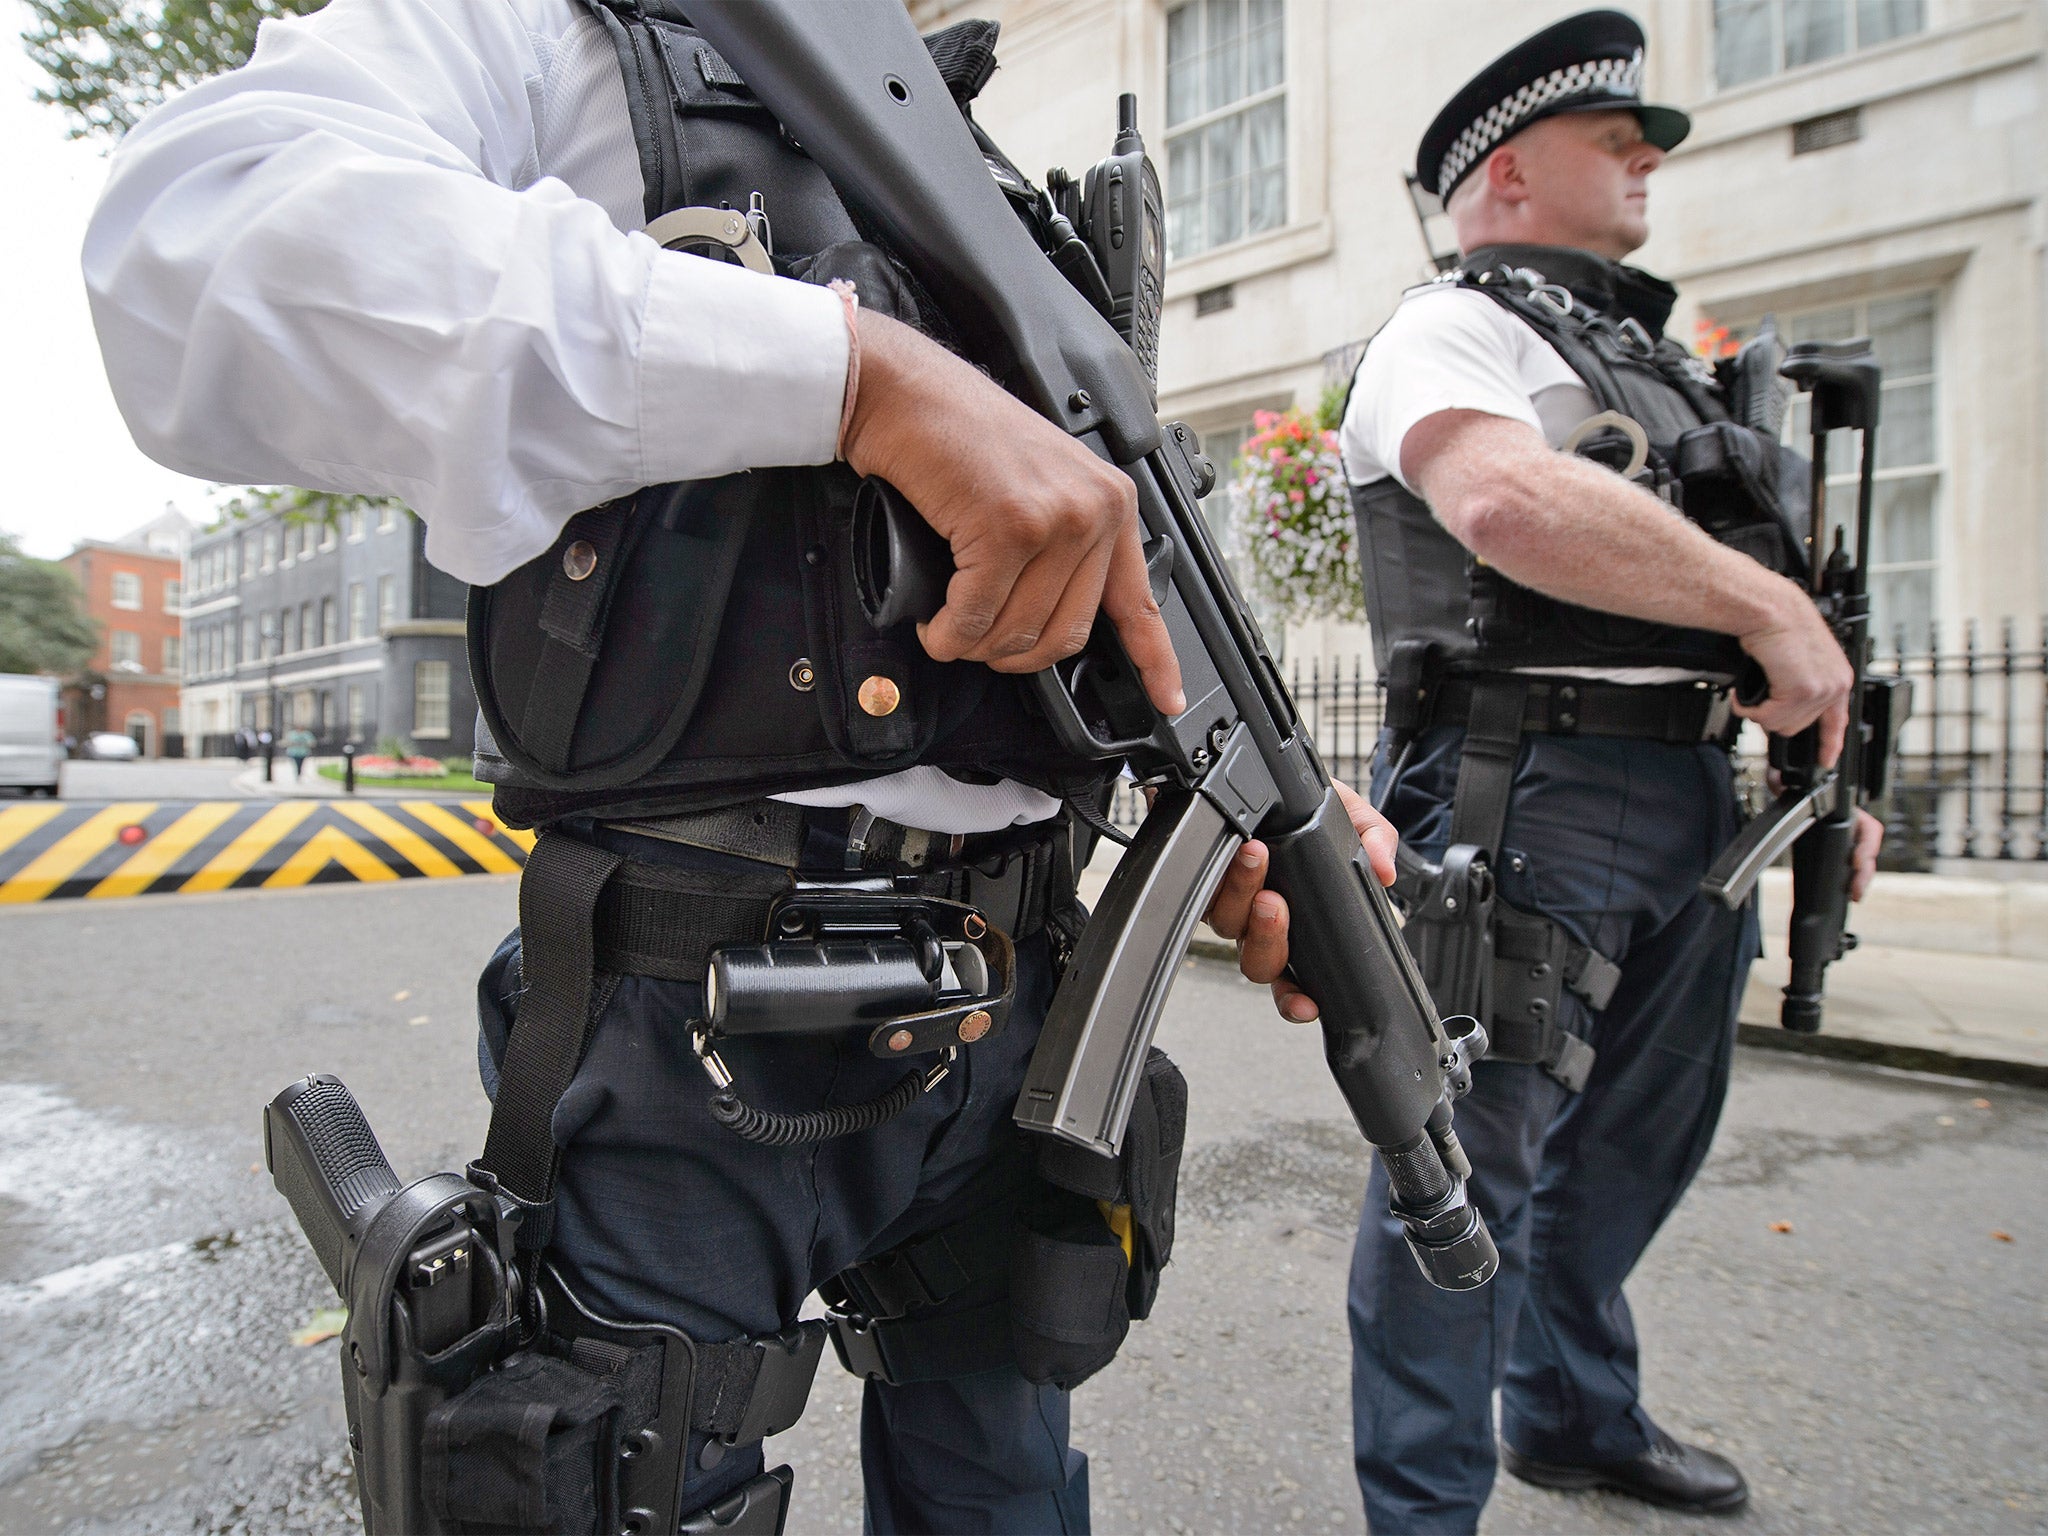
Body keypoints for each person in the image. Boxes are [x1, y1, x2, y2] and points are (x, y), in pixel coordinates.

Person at [84, 3, 1396, 1530]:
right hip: (692, 1012)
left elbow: (1117, 568)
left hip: (1023, 1010)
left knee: (1010, 1500)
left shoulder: (986, 184)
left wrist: (1261, 794)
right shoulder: (551, 38)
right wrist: (850, 379)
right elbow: (193, 252)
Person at [1208, 10, 1885, 1531]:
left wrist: (1833, 761)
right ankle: (1426, 1509)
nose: (1647, 158)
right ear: (1508, 173)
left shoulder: (1661, 363)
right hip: (1530, 794)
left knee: (1640, 1144)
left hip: (1700, 799)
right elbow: (1506, 502)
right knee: (1464, 1183)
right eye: (1616, 139)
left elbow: (1790, 608)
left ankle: (1576, 1413)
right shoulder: (1453, 329)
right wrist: (1767, 609)